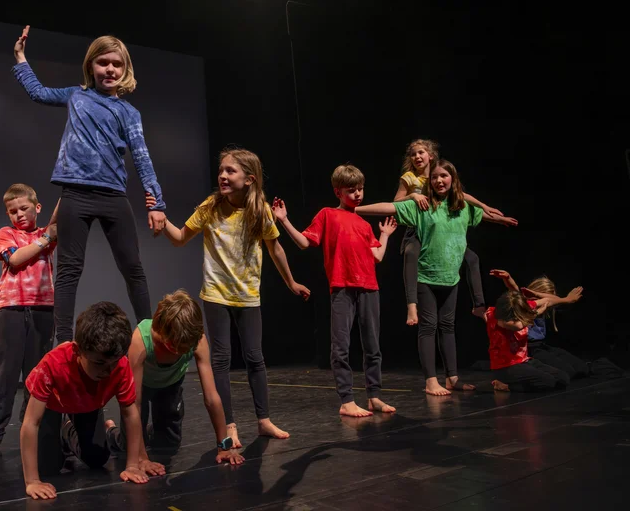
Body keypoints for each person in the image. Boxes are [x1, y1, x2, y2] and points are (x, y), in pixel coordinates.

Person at [146, 147, 310, 446]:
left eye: (230, 171)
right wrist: (162, 218)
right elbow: (181, 237)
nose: (222, 175)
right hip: (216, 294)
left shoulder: (259, 211)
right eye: (221, 170)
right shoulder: (211, 206)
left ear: (249, 179)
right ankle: (229, 425)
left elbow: (276, 249)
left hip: (247, 295)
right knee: (220, 360)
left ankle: (264, 420)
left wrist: (291, 282)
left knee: (254, 358)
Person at [12, 25, 166, 342]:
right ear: (91, 66)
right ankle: (65, 342)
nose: (109, 69)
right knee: (69, 270)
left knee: (133, 268)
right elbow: (38, 93)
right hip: (76, 195)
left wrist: (156, 202)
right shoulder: (76, 96)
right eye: (103, 62)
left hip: (113, 197)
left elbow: (141, 156)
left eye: (116, 64)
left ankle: (148, 336)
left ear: (125, 70)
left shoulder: (128, 112)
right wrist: (20, 57)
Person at [355, 159, 518, 395]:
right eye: (434, 177)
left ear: (453, 179)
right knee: (429, 328)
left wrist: (500, 219)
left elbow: (482, 215)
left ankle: (452, 378)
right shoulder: (423, 206)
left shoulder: (462, 206)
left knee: (448, 327)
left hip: (451, 278)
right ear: (429, 181)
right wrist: (354, 209)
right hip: (426, 278)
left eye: (444, 176)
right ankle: (431, 380)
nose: (439, 181)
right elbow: (389, 207)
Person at [271, 164, 397, 417]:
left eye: (361, 189)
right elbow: (305, 242)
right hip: (342, 287)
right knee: (341, 345)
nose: (358, 194)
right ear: (338, 192)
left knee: (372, 345)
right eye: (352, 190)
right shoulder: (328, 214)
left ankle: (374, 396)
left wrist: (384, 236)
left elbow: (378, 256)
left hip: (369, 287)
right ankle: (347, 400)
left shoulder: (363, 224)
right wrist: (284, 220)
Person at [20, 302, 166, 500]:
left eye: (113, 363)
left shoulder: (120, 367)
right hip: (50, 405)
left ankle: (67, 431)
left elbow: (131, 413)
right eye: (99, 363)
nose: (107, 371)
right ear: (78, 351)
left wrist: (132, 465)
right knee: (49, 467)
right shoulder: (53, 364)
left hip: (87, 404)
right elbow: (31, 422)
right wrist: (32, 481)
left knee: (97, 459)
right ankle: (61, 427)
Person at [127, 289, 245, 464]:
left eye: (183, 348)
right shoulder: (141, 340)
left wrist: (224, 447)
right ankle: (113, 430)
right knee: (127, 445)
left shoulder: (197, 340)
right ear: (163, 333)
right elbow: (133, 404)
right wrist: (142, 458)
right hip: (141, 389)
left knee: (168, 444)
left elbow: (212, 398)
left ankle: (150, 431)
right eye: (174, 346)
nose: (178, 352)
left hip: (170, 386)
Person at [395, 139, 505, 325]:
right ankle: (412, 304)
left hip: (441, 229)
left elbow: (461, 195)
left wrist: (485, 207)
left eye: (421, 153)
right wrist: (413, 195)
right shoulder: (409, 177)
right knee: (410, 252)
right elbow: (396, 202)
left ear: (430, 155)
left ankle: (479, 304)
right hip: (418, 229)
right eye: (413, 154)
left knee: (472, 258)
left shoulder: (440, 173)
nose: (417, 157)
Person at [0, 183, 57, 457]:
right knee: (4, 376)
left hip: (42, 310)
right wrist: (45, 239)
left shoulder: (47, 233)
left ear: (37, 208)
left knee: (36, 376)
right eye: (13, 211)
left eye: (24, 208)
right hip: (11, 310)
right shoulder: (7, 234)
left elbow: (61, 218)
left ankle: (31, 429)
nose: (19, 215)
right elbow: (15, 260)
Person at [489, 269, 587, 379]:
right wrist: (508, 278)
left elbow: (555, 300)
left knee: (582, 368)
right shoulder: (524, 304)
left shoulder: (539, 302)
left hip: (542, 346)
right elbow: (514, 290)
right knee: (569, 372)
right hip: (530, 349)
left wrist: (538, 294)